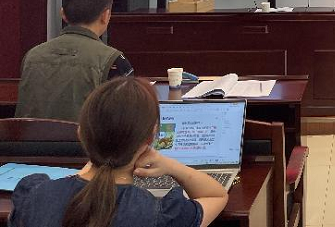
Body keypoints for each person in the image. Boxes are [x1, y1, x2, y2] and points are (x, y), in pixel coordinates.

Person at [10, 77, 228, 227]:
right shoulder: (160, 215)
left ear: (80, 133)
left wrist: (91, 163)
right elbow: (216, 195)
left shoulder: (34, 196)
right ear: (150, 138)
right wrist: (171, 166)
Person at [16, 0, 134, 122]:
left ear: (63, 14)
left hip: (30, 137)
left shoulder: (32, 56)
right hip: (86, 137)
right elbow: (128, 121)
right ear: (105, 15)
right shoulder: (114, 61)